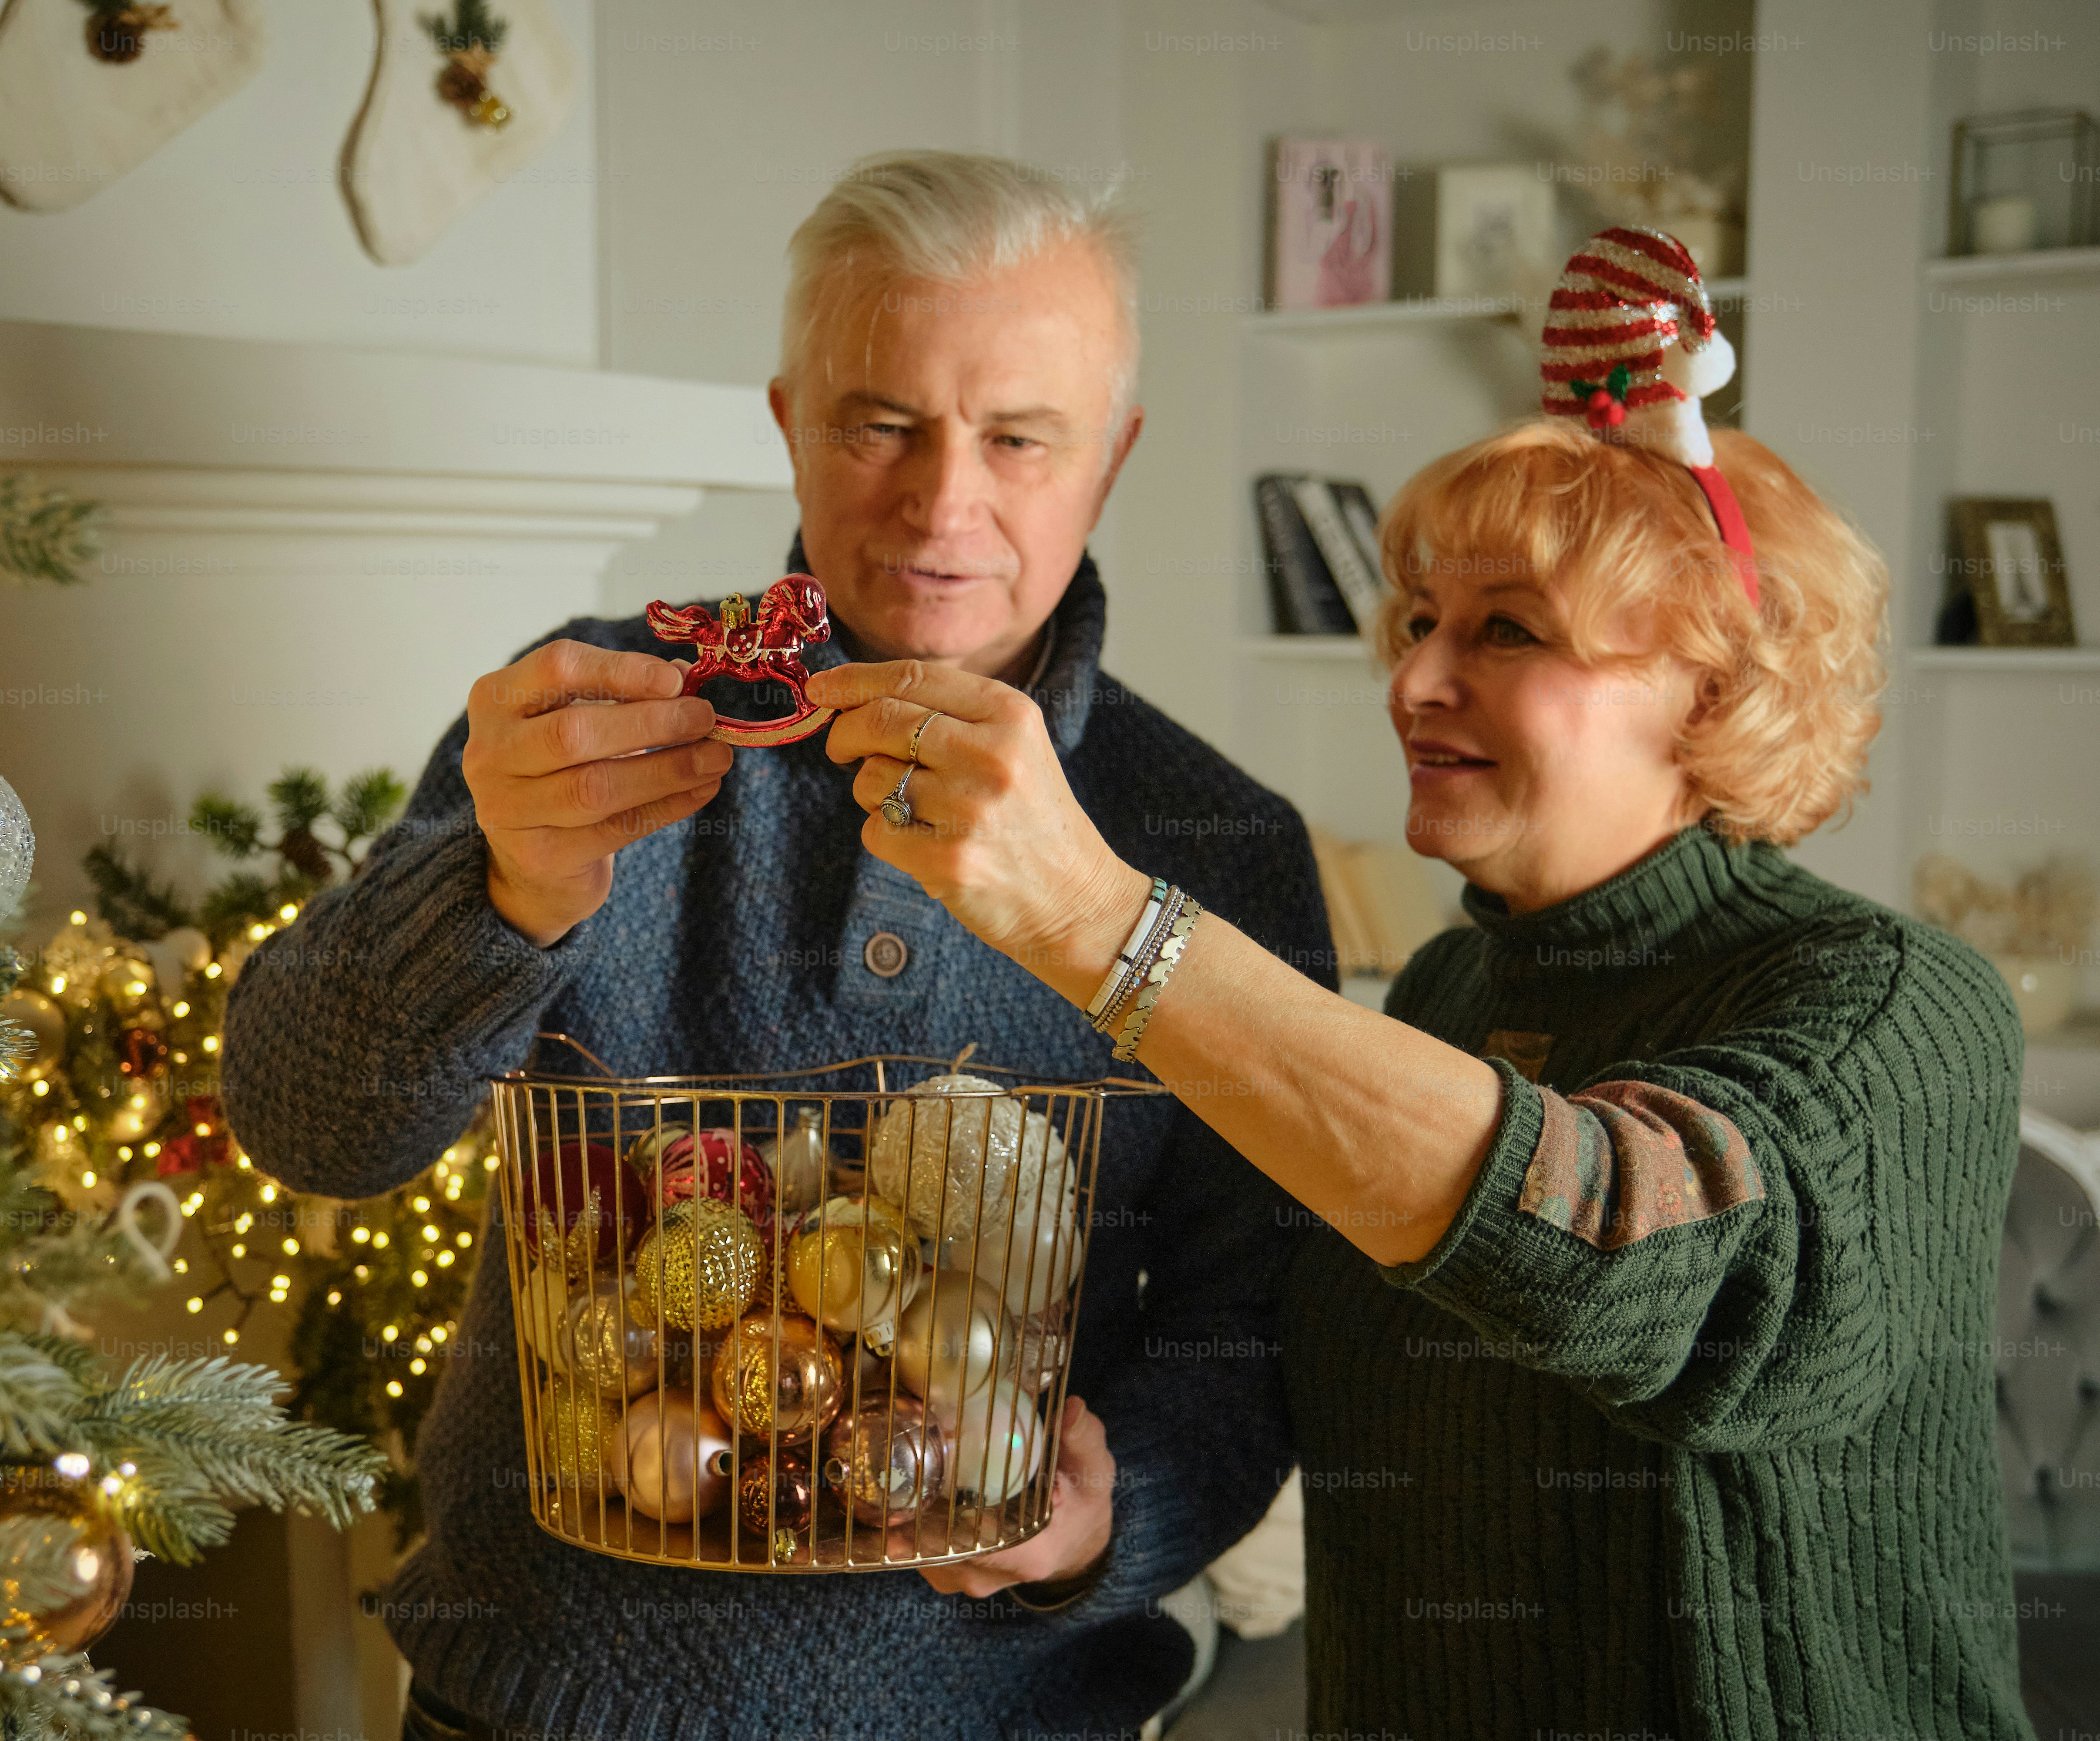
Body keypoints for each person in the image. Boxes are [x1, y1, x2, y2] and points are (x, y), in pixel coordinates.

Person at [802, 229, 2032, 1738]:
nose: (1414, 680)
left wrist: (1099, 923)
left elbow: (1620, 1240)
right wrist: (1099, 1506)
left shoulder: (1896, 1004)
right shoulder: (1451, 988)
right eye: (1420, 621)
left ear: (1713, 689)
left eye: (1507, 631)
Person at [220, 150, 1338, 1741]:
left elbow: (1253, 1325)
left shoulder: (1218, 840)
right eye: (879, 423)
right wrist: (502, 892)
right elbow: (305, 1129)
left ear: (1115, 453)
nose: (943, 503)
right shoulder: (581, 722)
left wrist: (1115, 1514)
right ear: (788, 420)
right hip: (542, 1698)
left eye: (1020, 437)